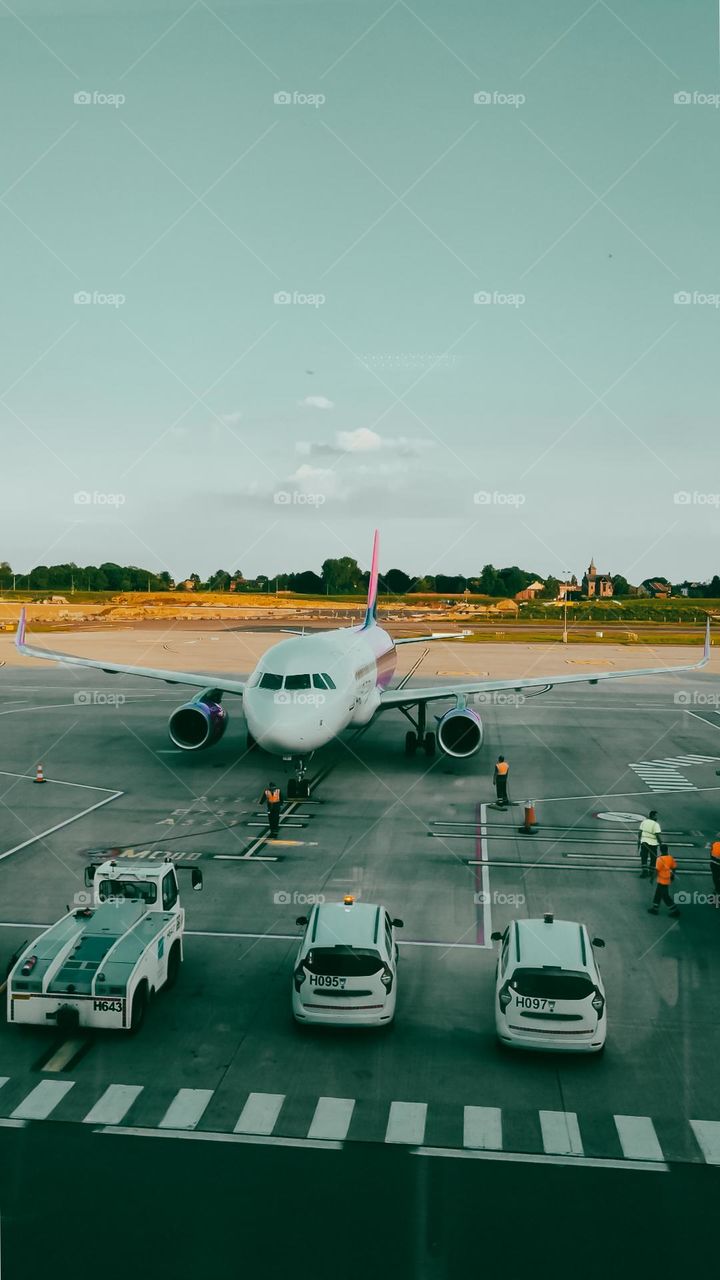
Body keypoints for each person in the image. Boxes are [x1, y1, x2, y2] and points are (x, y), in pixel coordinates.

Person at [647, 843, 680, 917]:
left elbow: (656, 871)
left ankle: (675, 911)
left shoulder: (660, 859)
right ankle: (655, 909)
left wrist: (652, 878)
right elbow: (674, 867)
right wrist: (672, 876)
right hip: (667, 879)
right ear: (667, 849)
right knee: (658, 895)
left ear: (660, 850)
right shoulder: (670, 858)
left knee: (665, 896)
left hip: (662, 880)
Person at [637, 809, 662, 878]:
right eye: (656, 816)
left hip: (644, 843)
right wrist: (661, 843)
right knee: (653, 858)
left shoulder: (644, 822)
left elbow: (640, 832)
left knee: (644, 857)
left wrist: (639, 840)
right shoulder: (656, 824)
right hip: (653, 844)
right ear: (653, 816)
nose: (657, 818)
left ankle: (644, 872)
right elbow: (657, 835)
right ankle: (651, 872)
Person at [710, 832, 720, 907]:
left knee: (716, 880)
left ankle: (714, 897)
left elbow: (711, 854)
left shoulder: (714, 844)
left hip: (713, 865)